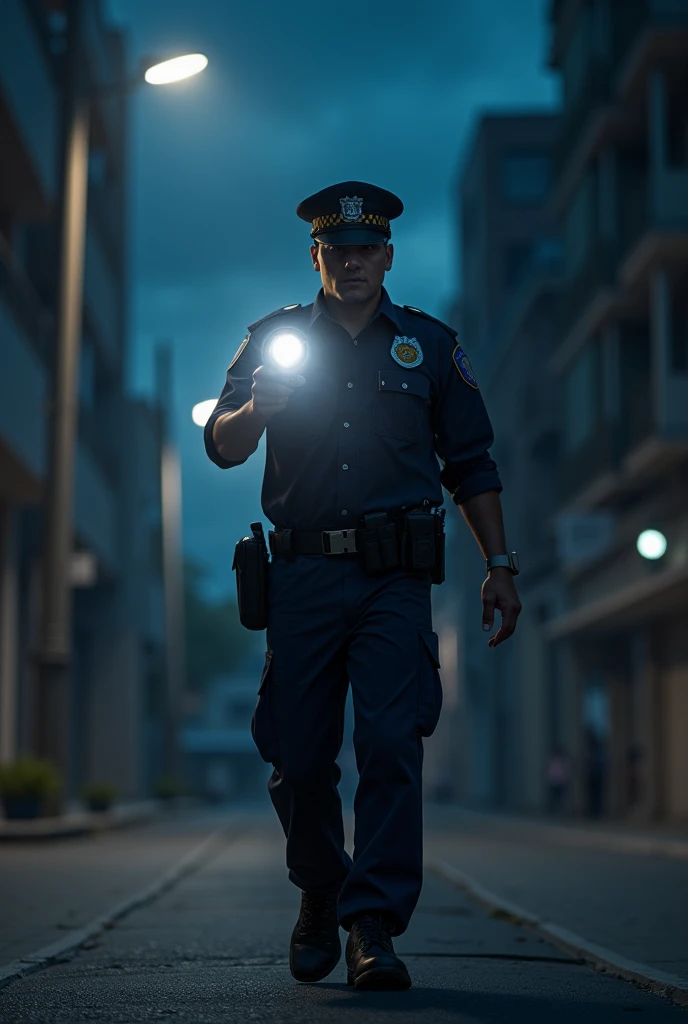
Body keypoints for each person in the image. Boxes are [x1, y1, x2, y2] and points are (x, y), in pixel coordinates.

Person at [204, 181, 521, 991]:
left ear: (388, 255)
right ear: (317, 255)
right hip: (304, 575)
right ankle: (321, 885)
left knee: (390, 744)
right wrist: (260, 409)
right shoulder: (272, 340)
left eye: (367, 249)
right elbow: (223, 447)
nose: (352, 261)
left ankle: (371, 925)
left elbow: (473, 464)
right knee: (300, 759)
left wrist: (500, 565)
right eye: (336, 249)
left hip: (394, 580)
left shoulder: (428, 346)